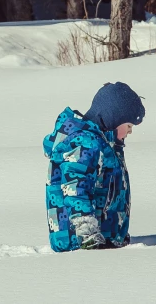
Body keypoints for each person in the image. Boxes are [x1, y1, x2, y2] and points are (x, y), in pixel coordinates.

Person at [42, 82, 146, 252]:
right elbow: (74, 186)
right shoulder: (86, 143)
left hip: (100, 242)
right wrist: (86, 230)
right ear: (114, 119)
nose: (130, 131)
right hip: (81, 244)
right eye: (129, 125)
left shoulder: (106, 145)